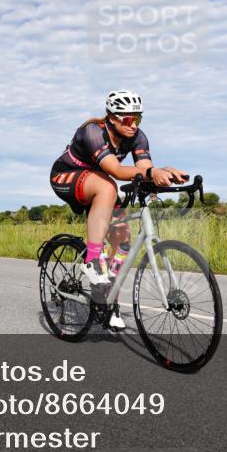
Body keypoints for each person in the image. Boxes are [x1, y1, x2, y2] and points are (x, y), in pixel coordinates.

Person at [50, 90, 187, 329]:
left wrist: (164, 174)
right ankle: (93, 259)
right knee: (108, 186)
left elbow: (144, 169)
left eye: (138, 119)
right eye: (127, 119)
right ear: (112, 118)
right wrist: (151, 173)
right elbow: (116, 170)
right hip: (66, 177)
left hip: (98, 182)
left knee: (122, 243)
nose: (133, 125)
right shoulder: (92, 132)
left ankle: (108, 301)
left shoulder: (138, 136)